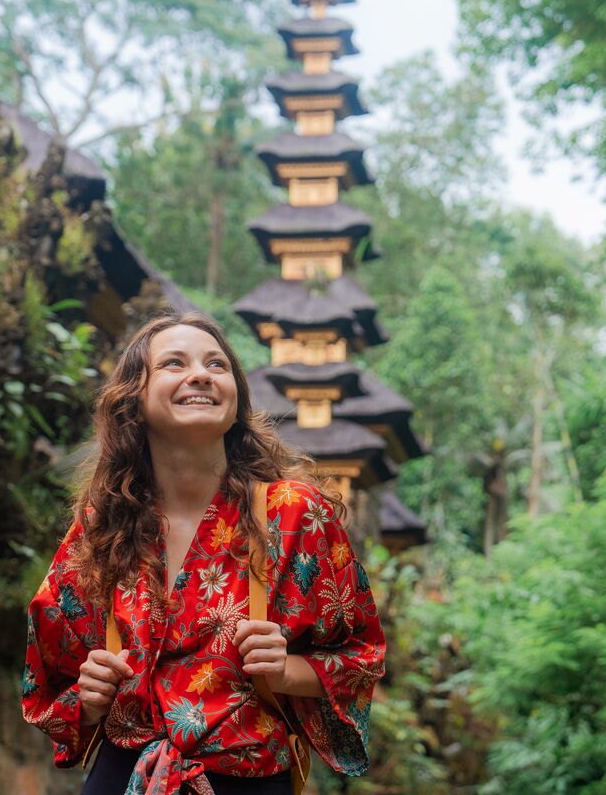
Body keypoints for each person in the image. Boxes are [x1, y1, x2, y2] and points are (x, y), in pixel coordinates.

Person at [21, 311, 386, 795]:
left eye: (218, 365)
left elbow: (360, 654)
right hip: (126, 772)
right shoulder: (102, 524)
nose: (201, 374)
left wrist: (284, 670)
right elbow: (49, 675)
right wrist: (89, 696)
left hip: (247, 778)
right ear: (135, 399)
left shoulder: (295, 514)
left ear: (236, 398)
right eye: (174, 363)